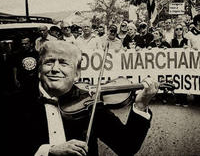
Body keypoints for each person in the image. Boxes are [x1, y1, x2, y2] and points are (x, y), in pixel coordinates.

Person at [4, 40, 159, 156]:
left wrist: (141, 104)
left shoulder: (88, 103)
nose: (55, 69)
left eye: (64, 63)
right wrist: (48, 151)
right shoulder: (13, 102)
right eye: (49, 62)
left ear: (77, 73)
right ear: (39, 69)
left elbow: (127, 146)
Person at [171, 23, 189, 107]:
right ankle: (177, 98)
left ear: (183, 30)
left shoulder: (186, 40)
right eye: (177, 29)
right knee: (177, 80)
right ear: (175, 31)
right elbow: (170, 51)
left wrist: (187, 48)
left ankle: (184, 99)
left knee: (184, 80)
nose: (179, 31)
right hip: (175, 64)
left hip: (184, 64)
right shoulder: (173, 41)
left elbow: (191, 51)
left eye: (180, 29)